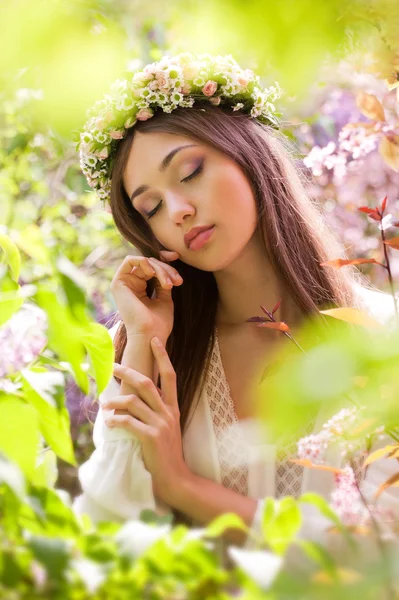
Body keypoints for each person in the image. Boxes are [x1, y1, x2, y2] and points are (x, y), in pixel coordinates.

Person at [73, 52, 399, 549]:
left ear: (247, 153)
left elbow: (381, 551)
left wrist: (182, 485)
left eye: (189, 172)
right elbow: (105, 529)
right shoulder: (154, 345)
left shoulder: (380, 337)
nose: (178, 211)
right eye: (152, 207)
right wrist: (141, 338)